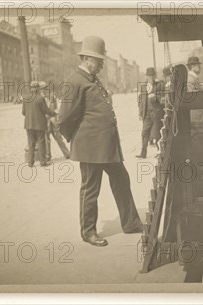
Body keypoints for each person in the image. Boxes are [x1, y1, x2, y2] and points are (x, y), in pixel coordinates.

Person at [57, 36, 143, 247]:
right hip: (90, 147)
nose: (102, 63)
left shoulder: (92, 79)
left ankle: (130, 223)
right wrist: (77, 140)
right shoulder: (75, 81)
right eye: (98, 59)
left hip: (106, 145)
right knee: (90, 189)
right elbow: (64, 118)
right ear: (86, 58)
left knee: (121, 179)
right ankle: (88, 232)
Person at [23, 80, 56, 167]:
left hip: (28, 124)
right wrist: (54, 113)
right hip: (40, 124)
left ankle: (30, 162)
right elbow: (46, 110)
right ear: (38, 88)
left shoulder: (25, 97)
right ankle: (43, 162)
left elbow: (23, 112)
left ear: (31, 88)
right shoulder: (40, 98)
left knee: (31, 143)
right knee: (41, 142)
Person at [137, 67, 162, 158]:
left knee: (157, 134)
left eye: (152, 75)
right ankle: (143, 153)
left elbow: (162, 99)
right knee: (144, 133)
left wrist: (155, 97)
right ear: (146, 76)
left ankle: (160, 152)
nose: (151, 77)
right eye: (149, 75)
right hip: (146, 114)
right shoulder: (143, 86)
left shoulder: (158, 85)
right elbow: (140, 101)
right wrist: (140, 113)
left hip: (155, 114)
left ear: (154, 75)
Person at [41, 81, 70, 160]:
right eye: (42, 89)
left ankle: (67, 154)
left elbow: (56, 109)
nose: (44, 90)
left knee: (59, 138)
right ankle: (48, 156)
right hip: (45, 121)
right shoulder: (40, 98)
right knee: (47, 140)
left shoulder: (52, 97)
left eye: (45, 88)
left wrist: (57, 119)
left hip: (53, 120)